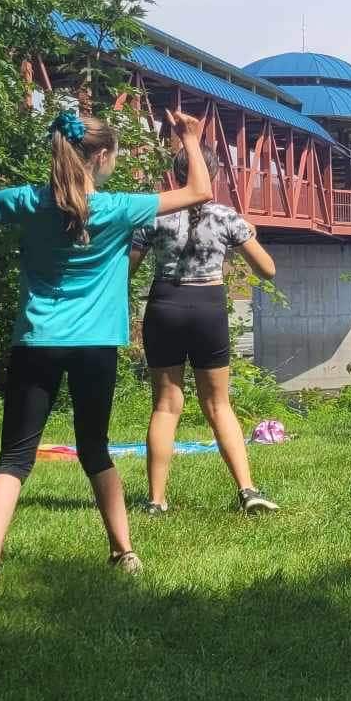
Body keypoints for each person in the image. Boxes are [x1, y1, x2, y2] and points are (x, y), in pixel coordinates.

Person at [0, 104, 213, 599]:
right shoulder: (118, 207)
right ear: (100, 156)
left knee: (14, 457)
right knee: (95, 450)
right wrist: (189, 139)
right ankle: (125, 553)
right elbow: (199, 193)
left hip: (37, 341)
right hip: (95, 346)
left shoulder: (27, 200)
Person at [131, 146, 281, 516]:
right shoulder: (225, 216)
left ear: (173, 175)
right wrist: (247, 232)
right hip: (207, 310)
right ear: (212, 175)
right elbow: (268, 270)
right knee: (218, 405)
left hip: (164, 306)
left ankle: (156, 500)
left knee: (166, 407)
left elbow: (126, 271)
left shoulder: (155, 213)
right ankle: (247, 490)